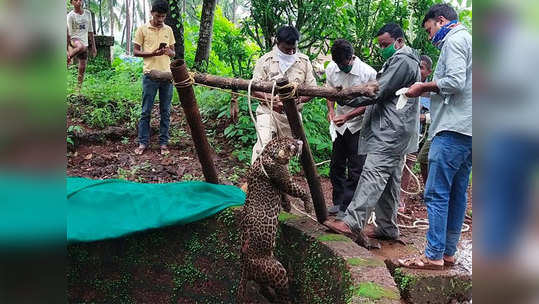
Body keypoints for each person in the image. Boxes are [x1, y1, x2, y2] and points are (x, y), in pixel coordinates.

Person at [324, 23, 421, 249]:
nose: (382, 49)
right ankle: (387, 227)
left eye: (385, 44)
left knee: (373, 172)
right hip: (398, 129)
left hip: (391, 130)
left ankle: (352, 222)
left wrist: (348, 99)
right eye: (380, 45)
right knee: (390, 180)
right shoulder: (402, 60)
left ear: (400, 41)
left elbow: (378, 90)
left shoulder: (403, 60)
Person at [398, 3, 472, 270]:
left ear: (441, 21)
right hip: (471, 130)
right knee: (457, 193)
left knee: (437, 192)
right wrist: (429, 91)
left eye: (430, 30)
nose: (430, 37)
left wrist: (422, 87)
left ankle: (432, 255)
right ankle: (448, 252)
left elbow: (454, 82)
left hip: (452, 130)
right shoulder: (470, 41)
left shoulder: (454, 41)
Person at [325, 39, 377, 219]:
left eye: (344, 63)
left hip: (358, 125)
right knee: (336, 165)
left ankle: (347, 207)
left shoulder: (368, 73)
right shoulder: (332, 69)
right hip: (339, 125)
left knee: (356, 167)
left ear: (351, 57)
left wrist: (348, 116)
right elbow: (329, 92)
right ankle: (338, 201)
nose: (341, 67)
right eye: (337, 63)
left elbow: (370, 104)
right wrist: (331, 111)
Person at [250, 25, 317, 164]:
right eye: (287, 49)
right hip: (268, 112)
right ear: (277, 43)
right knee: (263, 145)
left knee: (284, 154)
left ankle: (278, 183)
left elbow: (313, 90)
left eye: (294, 49)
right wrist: (273, 102)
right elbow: (254, 88)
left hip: (292, 116)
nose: (291, 52)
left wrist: (295, 102)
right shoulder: (265, 61)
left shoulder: (304, 62)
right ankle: (255, 179)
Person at [133, 0, 176, 156]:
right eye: (158, 16)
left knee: (165, 111)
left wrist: (168, 52)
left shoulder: (169, 30)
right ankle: (143, 142)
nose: (160, 20)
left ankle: (163, 143)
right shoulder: (142, 29)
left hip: (167, 76)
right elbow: (136, 52)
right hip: (149, 75)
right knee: (146, 111)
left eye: (163, 17)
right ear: (152, 13)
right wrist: (153, 53)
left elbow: (174, 52)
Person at [398, 55, 433, 213]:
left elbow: (436, 114)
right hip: (399, 132)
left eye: (422, 68)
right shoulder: (405, 85)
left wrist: (421, 118)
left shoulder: (431, 91)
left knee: (408, 165)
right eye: (417, 66)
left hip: (419, 134)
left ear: (428, 72)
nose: (419, 71)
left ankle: (401, 200)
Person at [67, 0, 97, 90]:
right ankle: (67, 58)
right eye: (76, 0)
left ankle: (78, 88)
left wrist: (94, 47)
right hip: (74, 40)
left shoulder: (87, 13)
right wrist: (68, 48)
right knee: (80, 47)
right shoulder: (70, 16)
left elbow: (91, 31)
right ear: (72, 2)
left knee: (82, 67)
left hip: (85, 42)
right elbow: (69, 34)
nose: (78, 2)